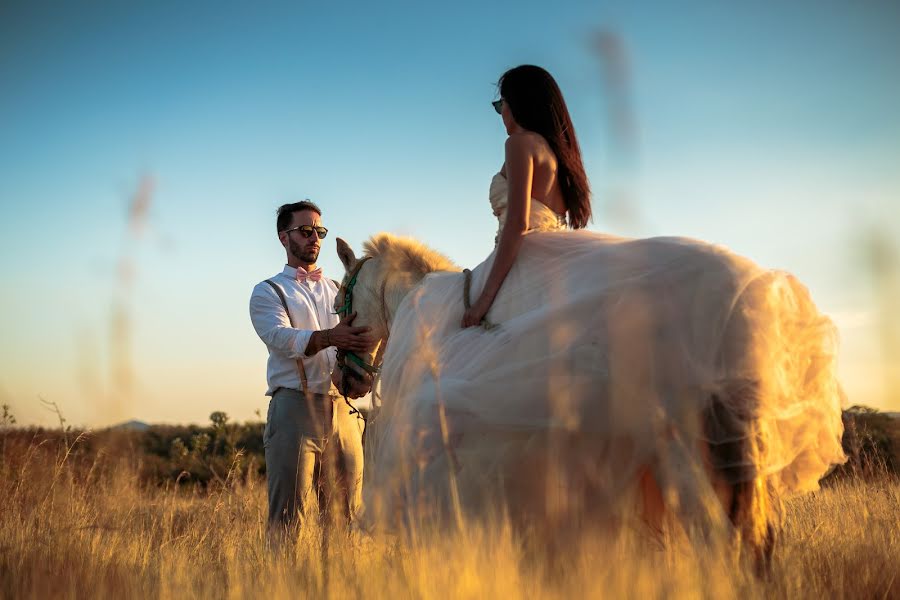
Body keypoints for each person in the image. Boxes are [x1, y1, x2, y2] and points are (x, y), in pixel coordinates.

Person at [361, 65, 846, 535]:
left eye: (499, 105)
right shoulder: (562, 155)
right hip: (555, 256)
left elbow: (515, 231)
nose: (500, 115)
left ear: (516, 104)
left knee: (451, 389)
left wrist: (482, 300)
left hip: (525, 262)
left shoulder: (519, 143)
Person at [249, 200, 372, 538]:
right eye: (305, 231)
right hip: (293, 408)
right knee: (290, 520)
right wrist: (331, 336)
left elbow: (358, 339)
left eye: (319, 231)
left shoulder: (338, 289)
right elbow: (278, 336)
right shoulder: (268, 291)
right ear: (283, 237)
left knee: (348, 520)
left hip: (343, 409)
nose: (314, 238)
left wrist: (362, 369)